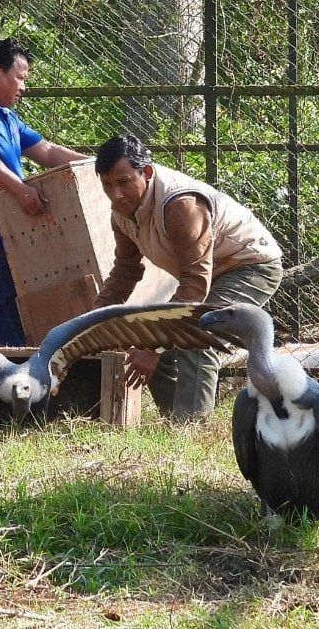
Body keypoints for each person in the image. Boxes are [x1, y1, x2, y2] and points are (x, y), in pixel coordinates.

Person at [92, 132, 284, 421]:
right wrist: (92, 323)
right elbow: (126, 270)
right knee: (149, 337)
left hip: (250, 265)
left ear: (145, 172)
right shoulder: (121, 211)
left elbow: (194, 286)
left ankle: (192, 427)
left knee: (200, 332)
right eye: (107, 185)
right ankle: (177, 421)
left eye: (123, 182)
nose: (115, 194)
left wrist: (152, 345)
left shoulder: (182, 205)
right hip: (208, 275)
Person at [0, 37, 87, 346]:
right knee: (7, 342)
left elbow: (46, 152)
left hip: (2, 242)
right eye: (20, 77)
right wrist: (20, 190)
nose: (23, 87)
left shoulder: (5, 117)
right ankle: (19, 394)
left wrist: (100, 166)